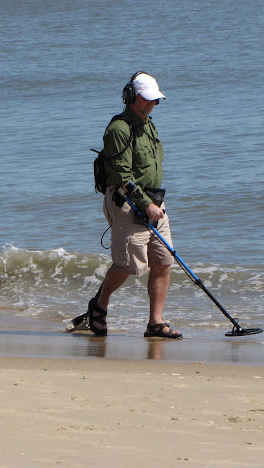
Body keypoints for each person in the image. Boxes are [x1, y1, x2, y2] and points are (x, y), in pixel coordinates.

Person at [87, 71, 182, 339]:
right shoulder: (118, 129)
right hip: (127, 203)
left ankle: (155, 323)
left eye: (155, 100)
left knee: (163, 262)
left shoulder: (148, 125)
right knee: (129, 266)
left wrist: (155, 204)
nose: (152, 104)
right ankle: (99, 304)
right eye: (147, 99)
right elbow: (121, 177)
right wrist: (144, 204)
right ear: (133, 97)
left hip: (154, 202)